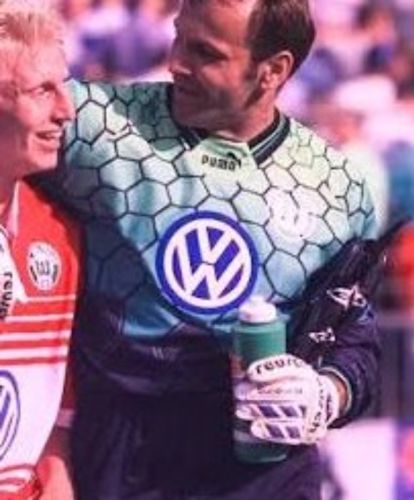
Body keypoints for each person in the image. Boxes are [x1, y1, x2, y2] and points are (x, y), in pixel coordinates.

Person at [38, 0, 380, 498]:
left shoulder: (339, 189)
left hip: (262, 469)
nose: (176, 61)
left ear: (273, 70)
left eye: (206, 52)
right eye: (179, 36)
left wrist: (326, 393)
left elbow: (357, 344)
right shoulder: (91, 125)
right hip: (116, 454)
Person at [0, 1, 77, 498]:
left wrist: (58, 481)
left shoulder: (60, 237)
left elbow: (53, 422)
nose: (66, 110)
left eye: (63, 86)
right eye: (41, 90)